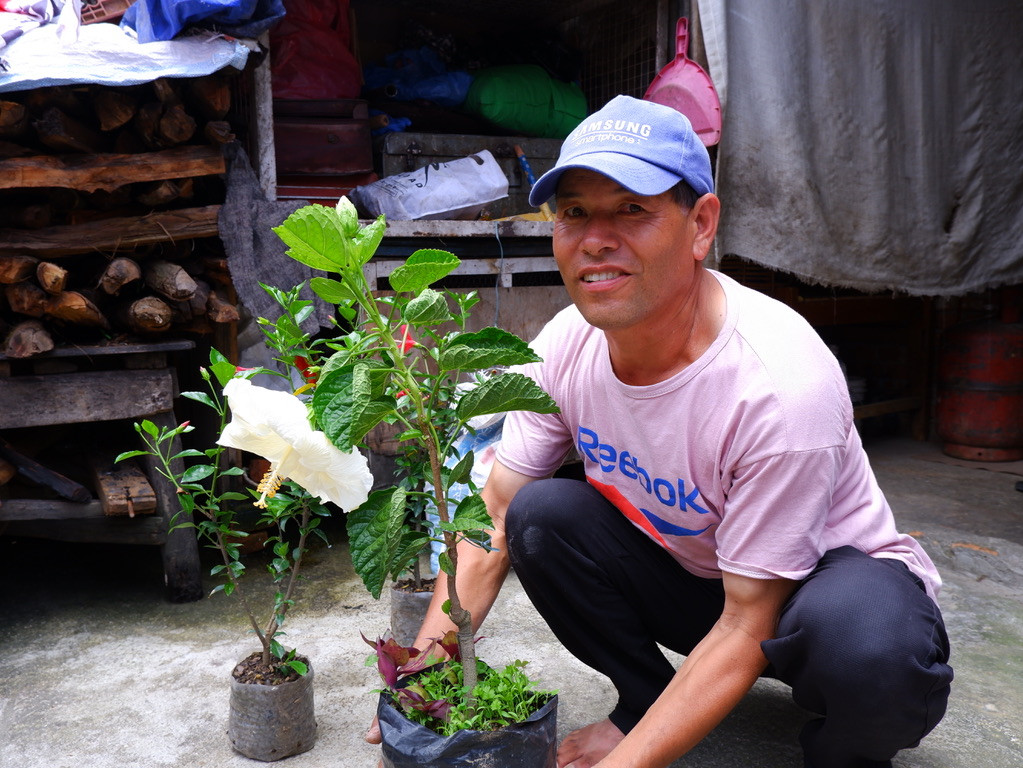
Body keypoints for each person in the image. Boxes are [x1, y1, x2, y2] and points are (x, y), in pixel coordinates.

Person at [366, 94, 953, 768]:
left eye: (632, 210)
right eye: (575, 213)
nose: (594, 238)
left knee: (870, 651)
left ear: (701, 225)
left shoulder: (777, 386)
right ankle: (643, 704)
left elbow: (746, 621)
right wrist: (420, 678)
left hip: (818, 598)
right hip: (707, 582)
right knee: (539, 513)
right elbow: (493, 519)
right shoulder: (564, 347)